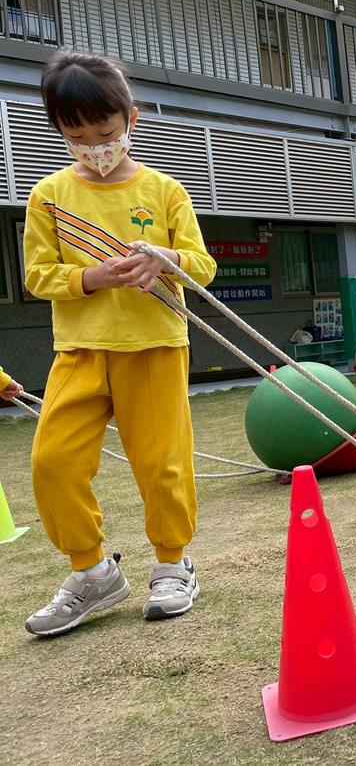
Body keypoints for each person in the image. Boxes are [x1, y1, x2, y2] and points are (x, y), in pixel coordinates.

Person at [22, 52, 217, 636]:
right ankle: (92, 571)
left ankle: (173, 564)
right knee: (53, 460)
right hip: (79, 349)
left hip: (154, 344)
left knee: (162, 464)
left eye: (104, 132)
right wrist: (92, 277)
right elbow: (37, 275)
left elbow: (203, 266)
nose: (93, 146)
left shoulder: (164, 190)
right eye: (76, 135)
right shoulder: (48, 194)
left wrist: (167, 259)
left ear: (130, 118)